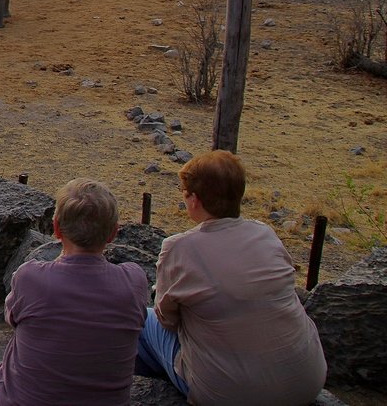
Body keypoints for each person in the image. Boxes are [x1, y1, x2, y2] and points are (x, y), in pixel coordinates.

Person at [0, 178, 148, 406]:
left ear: (57, 228)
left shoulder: (32, 278)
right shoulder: (134, 282)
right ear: (113, 233)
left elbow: (13, 319)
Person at [135, 150, 326, 406]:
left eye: (185, 192)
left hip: (227, 395)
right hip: (307, 381)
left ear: (195, 200)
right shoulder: (266, 234)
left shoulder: (179, 248)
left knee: (139, 319)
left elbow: (166, 320)